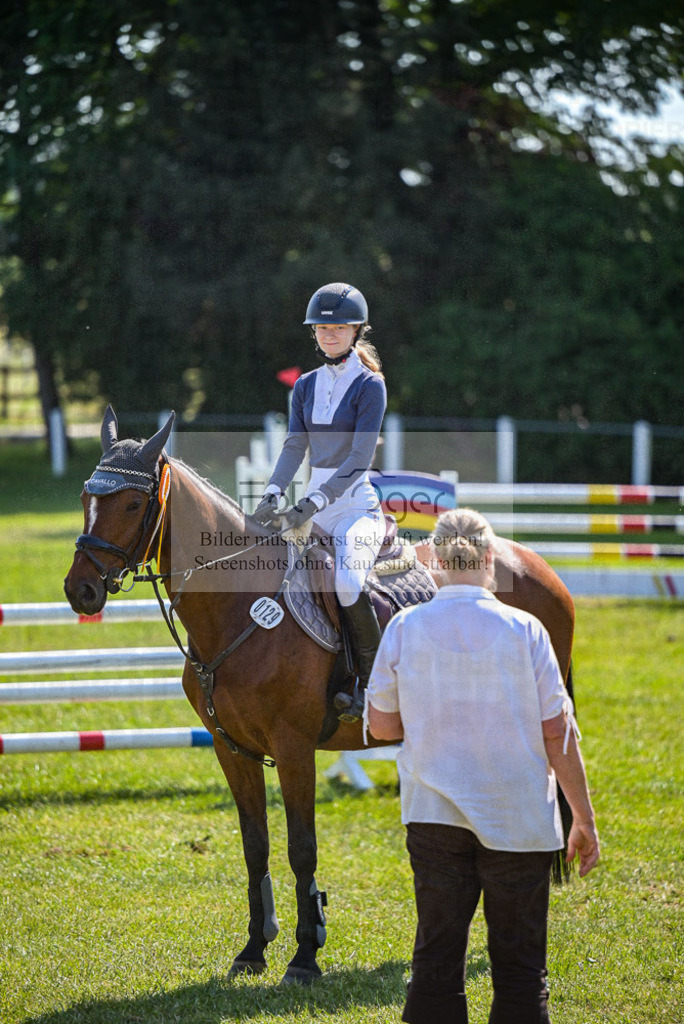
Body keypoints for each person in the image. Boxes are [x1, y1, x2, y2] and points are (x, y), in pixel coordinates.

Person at [366, 508, 600, 1024]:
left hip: (433, 816)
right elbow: (557, 732)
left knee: (435, 966)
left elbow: (381, 727)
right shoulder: (527, 629)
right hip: (520, 820)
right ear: (491, 558)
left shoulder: (404, 626)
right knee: (520, 972)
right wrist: (582, 817)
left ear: (434, 562)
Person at [253, 282, 387, 722]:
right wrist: (273, 491)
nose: (329, 333)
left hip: (355, 511)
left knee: (347, 583)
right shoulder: (306, 386)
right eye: (321, 328)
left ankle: (372, 685)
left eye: (338, 327)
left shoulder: (370, 386)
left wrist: (310, 503)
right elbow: (295, 446)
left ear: (356, 330)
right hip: (313, 511)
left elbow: (357, 460)